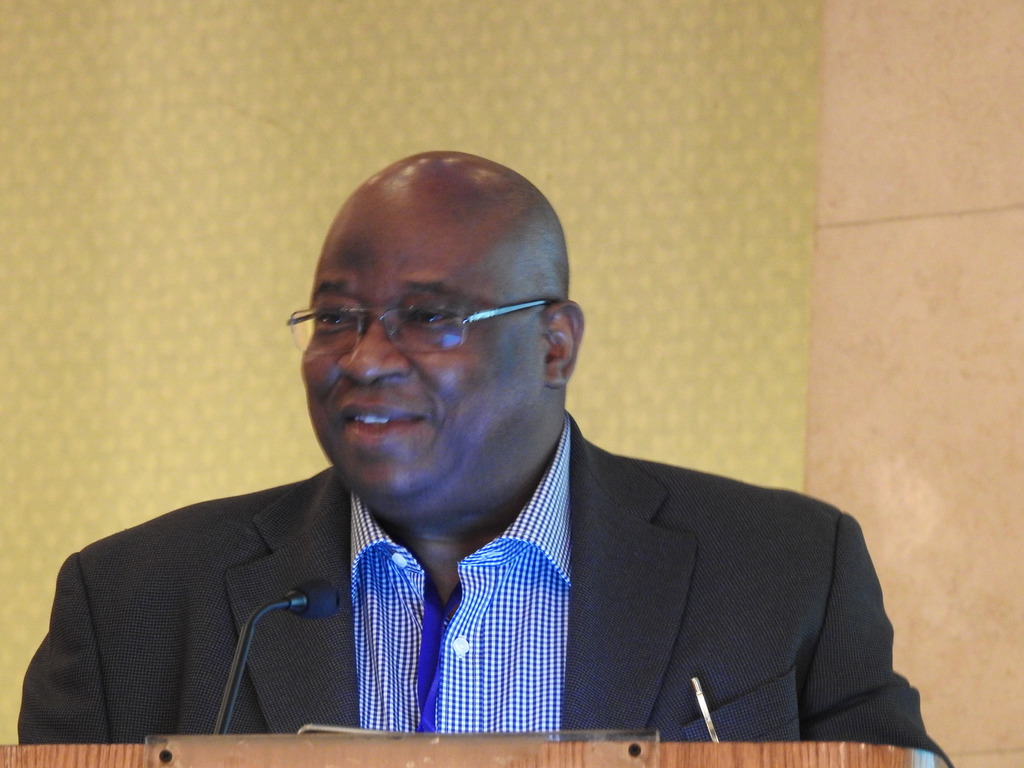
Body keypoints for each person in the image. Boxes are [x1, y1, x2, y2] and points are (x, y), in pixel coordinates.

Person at [20, 152, 945, 759]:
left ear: (554, 345)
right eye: (335, 317)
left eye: (427, 317)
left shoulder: (783, 571)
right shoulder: (134, 603)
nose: (364, 358)